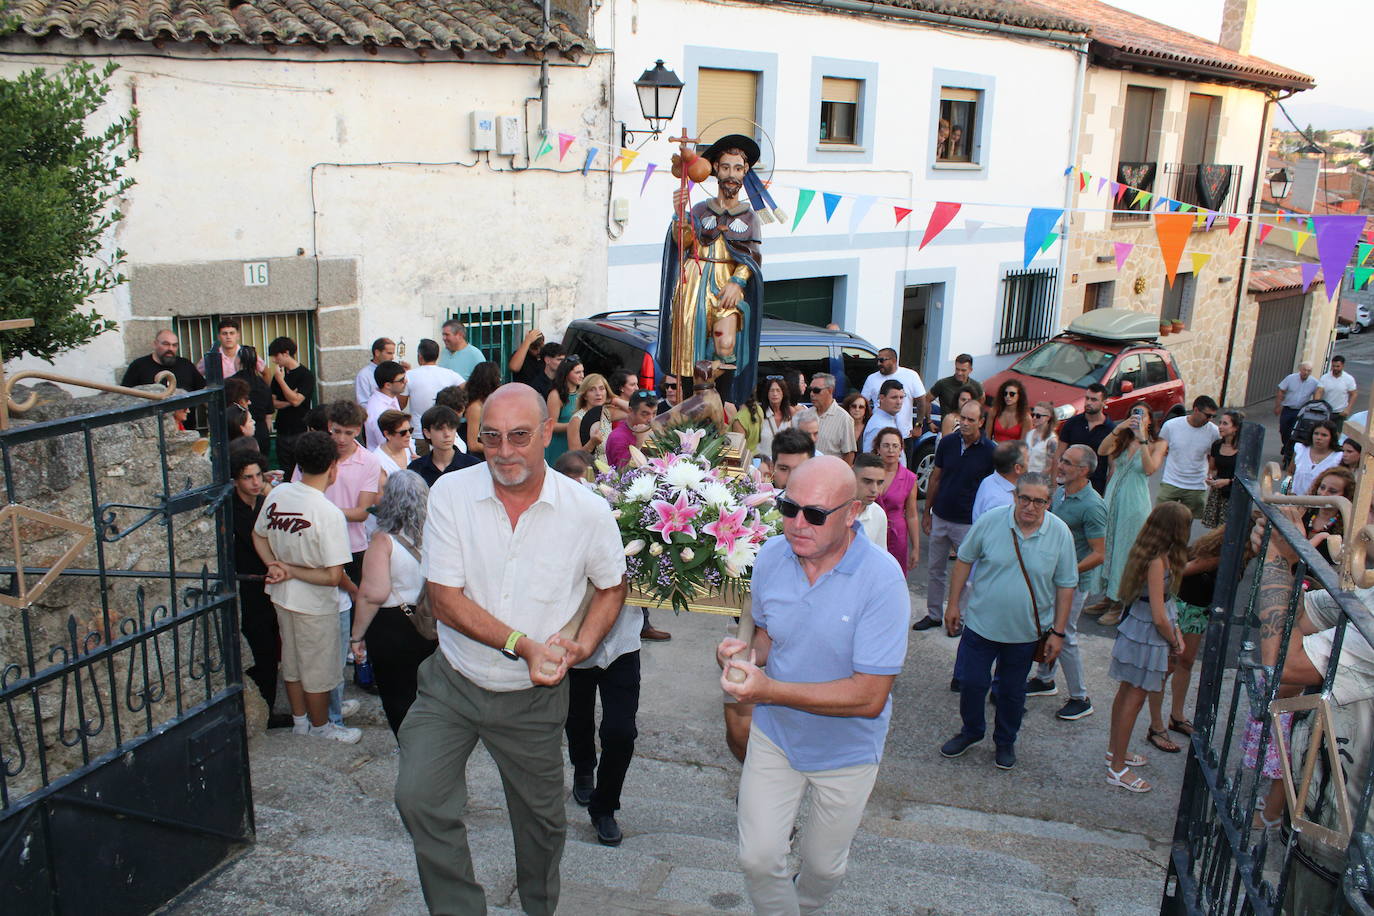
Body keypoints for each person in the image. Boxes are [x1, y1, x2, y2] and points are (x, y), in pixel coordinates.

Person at [393, 384, 627, 916]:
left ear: (548, 432)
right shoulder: (452, 493)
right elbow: (445, 600)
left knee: (542, 824)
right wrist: (521, 644)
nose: (504, 452)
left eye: (520, 437)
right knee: (419, 798)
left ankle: (538, 908)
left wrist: (581, 645)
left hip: (532, 697)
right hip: (451, 682)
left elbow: (613, 585)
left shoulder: (586, 511)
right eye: (491, 437)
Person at [719, 456, 908, 915]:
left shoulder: (883, 581)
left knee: (825, 870)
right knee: (759, 858)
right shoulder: (769, 557)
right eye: (789, 508)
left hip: (848, 750)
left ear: (852, 513)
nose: (798, 523)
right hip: (776, 735)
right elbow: (767, 635)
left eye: (816, 514)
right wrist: (744, 658)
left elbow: (869, 697)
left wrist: (769, 690)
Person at [939, 472, 1076, 770]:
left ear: (1048, 503)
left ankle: (1005, 741)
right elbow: (964, 559)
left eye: (1039, 501)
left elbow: (1066, 584)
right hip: (980, 626)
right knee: (972, 684)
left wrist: (1059, 632)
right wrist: (953, 605)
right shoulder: (991, 521)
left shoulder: (1060, 533)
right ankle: (971, 731)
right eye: (1025, 498)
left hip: (1026, 633)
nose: (1030, 506)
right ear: (1014, 496)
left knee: (1012, 694)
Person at [251, 430, 361, 744]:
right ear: (333, 467)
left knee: (294, 663)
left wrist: (274, 564)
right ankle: (322, 726)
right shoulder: (328, 513)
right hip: (314, 603)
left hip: (282, 597)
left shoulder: (278, 493)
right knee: (319, 670)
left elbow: (258, 535)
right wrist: (288, 568)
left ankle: (301, 722)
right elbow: (331, 575)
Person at [722, 428, 816, 764]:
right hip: (755, 631)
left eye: (799, 469)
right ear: (773, 468)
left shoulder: (821, 516)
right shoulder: (751, 506)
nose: (790, 478)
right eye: (784, 469)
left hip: (803, 642)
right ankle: (757, 784)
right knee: (737, 727)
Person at [658, 134, 765, 405]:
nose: (732, 175)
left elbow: (752, 255)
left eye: (738, 168)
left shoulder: (749, 216)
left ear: (746, 172)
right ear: (716, 169)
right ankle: (689, 403)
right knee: (688, 347)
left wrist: (737, 282)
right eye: (726, 167)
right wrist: (679, 213)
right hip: (695, 281)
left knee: (725, 341)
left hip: (726, 282)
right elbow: (683, 242)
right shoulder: (701, 209)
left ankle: (722, 403)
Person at [1105, 502, 1190, 791]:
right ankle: (1117, 768)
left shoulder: (1151, 553)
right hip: (1147, 635)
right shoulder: (1158, 561)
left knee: (1126, 693)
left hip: (1138, 630)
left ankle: (1115, 752)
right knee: (1134, 698)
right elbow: (1158, 614)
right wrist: (1175, 640)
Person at [349, 470, 436, 737]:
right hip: (430, 622)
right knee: (428, 694)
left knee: (398, 695)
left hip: (392, 624)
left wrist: (356, 636)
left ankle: (412, 750)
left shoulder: (383, 540)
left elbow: (373, 593)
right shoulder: (436, 535)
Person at [1026, 445, 1107, 721]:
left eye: (1068, 463)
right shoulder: (1061, 492)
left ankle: (1080, 698)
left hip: (1074, 582)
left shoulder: (1093, 505)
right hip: (1057, 577)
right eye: (1062, 460)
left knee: (1065, 635)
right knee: (1049, 627)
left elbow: (1099, 553)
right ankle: (1045, 679)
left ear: (1083, 470)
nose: (1060, 465)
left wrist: (1067, 572)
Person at [916, 400, 996, 632]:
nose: (965, 423)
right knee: (935, 570)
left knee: (967, 575)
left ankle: (957, 618)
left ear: (981, 422)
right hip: (941, 516)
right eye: (963, 418)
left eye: (971, 419)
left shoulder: (990, 452)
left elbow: (991, 489)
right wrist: (928, 512)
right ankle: (933, 615)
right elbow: (936, 478)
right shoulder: (948, 443)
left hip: (969, 524)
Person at [1094, 408, 1168, 626]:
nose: (1138, 418)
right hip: (1113, 497)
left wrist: (1142, 440)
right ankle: (1108, 597)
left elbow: (1149, 469)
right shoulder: (1122, 439)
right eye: (1135, 413)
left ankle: (1120, 602)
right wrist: (1119, 428)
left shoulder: (1158, 443)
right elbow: (1102, 449)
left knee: (1125, 550)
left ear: (1150, 419)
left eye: (1143, 414)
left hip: (1134, 502)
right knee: (1108, 545)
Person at [231, 449, 288, 728]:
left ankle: (266, 709)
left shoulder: (266, 503)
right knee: (256, 649)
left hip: (269, 583)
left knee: (269, 651)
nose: (254, 482)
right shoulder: (229, 509)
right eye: (247, 477)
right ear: (236, 480)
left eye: (257, 476)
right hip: (246, 586)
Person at [1156, 397, 1220, 516]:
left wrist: (1211, 473)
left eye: (1213, 416)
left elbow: (1214, 456)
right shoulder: (1171, 426)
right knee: (1160, 519)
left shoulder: (1214, 432)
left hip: (1196, 485)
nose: (1210, 419)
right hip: (1171, 482)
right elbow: (1161, 448)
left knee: (1185, 525)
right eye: (1208, 415)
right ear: (1196, 410)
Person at [872, 427, 919, 574]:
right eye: (886, 445)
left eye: (895, 446)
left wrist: (916, 548)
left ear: (901, 450)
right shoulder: (868, 473)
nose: (891, 450)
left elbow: (911, 515)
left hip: (896, 536)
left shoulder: (909, 478)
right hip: (871, 530)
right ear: (878, 449)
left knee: (894, 577)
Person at [1054, 384, 1116, 495]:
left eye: (1094, 399)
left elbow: (1112, 467)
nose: (1088, 403)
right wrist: (1054, 482)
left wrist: (1107, 493)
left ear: (1104, 402)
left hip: (1095, 488)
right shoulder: (1072, 423)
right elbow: (1058, 454)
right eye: (1087, 398)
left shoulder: (1110, 430)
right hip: (1067, 484)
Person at [404, 339, 464, 452]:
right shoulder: (450, 374)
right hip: (445, 432)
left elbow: (401, 404)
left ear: (420, 356)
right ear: (437, 355)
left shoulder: (409, 375)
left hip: (420, 433)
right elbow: (465, 391)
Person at [268, 337, 315, 480]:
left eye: (276, 356)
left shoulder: (305, 375)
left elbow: (296, 401)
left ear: (286, 353)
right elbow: (273, 402)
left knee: (301, 470)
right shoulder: (278, 374)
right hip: (282, 430)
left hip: (299, 429)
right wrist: (290, 399)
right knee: (285, 471)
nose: (275, 360)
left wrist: (282, 381)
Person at [861, 347, 927, 445]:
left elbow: (921, 401)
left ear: (894, 360)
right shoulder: (872, 379)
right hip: (879, 434)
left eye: (882, 360)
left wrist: (918, 425)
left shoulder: (911, 375)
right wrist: (871, 418)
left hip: (904, 435)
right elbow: (863, 402)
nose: (879, 364)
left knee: (903, 460)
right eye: (877, 360)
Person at [408, 405, 480, 487]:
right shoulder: (416, 469)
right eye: (440, 429)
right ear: (427, 433)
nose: (447, 434)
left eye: (451, 428)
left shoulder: (473, 466)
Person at [796, 373, 856, 463]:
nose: (812, 394)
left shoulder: (844, 419)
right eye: (810, 390)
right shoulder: (804, 415)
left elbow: (849, 454)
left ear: (830, 391)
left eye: (816, 390)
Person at [122, 329, 205, 391]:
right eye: (166, 344)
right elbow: (125, 396)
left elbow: (203, 391)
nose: (170, 349)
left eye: (174, 345)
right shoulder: (139, 366)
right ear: (155, 344)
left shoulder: (186, 365)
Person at [1201, 409, 1242, 529]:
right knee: (1215, 531)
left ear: (1235, 428)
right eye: (1220, 423)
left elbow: (1247, 477)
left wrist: (1227, 481)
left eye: (1225, 424)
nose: (1220, 427)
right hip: (1218, 492)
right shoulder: (1217, 445)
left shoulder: (1243, 449)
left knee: (1229, 529)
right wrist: (1210, 478)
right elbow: (1213, 468)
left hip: (1234, 494)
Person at [196, 316, 268, 386]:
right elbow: (196, 377)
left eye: (232, 333)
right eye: (224, 333)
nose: (228, 337)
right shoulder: (211, 357)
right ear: (218, 337)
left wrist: (264, 393)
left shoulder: (247, 353)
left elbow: (266, 373)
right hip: (223, 397)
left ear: (238, 336)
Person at [971, 441, 1027, 523]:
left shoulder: (989, 480)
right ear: (1017, 468)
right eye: (1028, 459)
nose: (1030, 463)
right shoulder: (1002, 504)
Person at [606, 390, 658, 471]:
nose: (651, 419)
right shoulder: (618, 437)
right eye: (645, 414)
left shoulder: (653, 430)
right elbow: (622, 474)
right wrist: (639, 444)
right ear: (630, 411)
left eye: (654, 413)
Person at [1275, 362, 1317, 459]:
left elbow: (1316, 396)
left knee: (1294, 432)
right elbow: (1281, 390)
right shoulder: (1290, 378)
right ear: (1300, 369)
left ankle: (1289, 451)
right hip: (1288, 409)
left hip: (1302, 411)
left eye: (1309, 371)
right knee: (1283, 430)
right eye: (1304, 370)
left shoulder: (1314, 382)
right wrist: (1278, 406)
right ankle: (1286, 445)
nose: (1306, 372)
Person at [545, 355, 583, 463]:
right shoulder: (556, 395)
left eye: (582, 372)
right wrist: (574, 425)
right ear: (566, 374)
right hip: (558, 446)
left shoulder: (582, 393)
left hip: (576, 444)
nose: (582, 375)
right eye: (577, 372)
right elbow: (551, 425)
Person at [1289, 418, 1341, 498]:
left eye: (1324, 435)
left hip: (1320, 502)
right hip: (1294, 499)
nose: (1319, 438)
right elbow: (1290, 472)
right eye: (1316, 433)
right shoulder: (1300, 449)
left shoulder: (1338, 457)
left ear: (1332, 438)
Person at [459, 361, 501, 457]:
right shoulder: (475, 408)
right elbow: (472, 445)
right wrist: (497, 449)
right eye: (498, 378)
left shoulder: (484, 401)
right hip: (477, 457)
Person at [365, 361, 407, 451]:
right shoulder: (378, 410)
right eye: (401, 380)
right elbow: (387, 444)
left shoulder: (390, 396)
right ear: (388, 385)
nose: (406, 381)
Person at [927, 354, 983, 420]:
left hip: (968, 428)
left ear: (970, 370)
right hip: (947, 426)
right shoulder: (942, 384)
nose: (959, 373)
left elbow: (981, 402)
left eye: (963, 370)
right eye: (957, 369)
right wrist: (929, 421)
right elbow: (927, 399)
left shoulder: (976, 386)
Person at [862, 381, 907, 462]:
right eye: (894, 397)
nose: (899, 402)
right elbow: (868, 460)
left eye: (901, 397)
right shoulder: (878, 427)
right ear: (882, 398)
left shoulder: (891, 418)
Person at [568, 373, 611, 454]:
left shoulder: (606, 413)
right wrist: (592, 443)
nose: (598, 393)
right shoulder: (577, 419)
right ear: (585, 396)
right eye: (592, 389)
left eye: (602, 389)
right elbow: (574, 457)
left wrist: (614, 400)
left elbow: (632, 411)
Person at [355, 337, 404, 406]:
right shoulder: (364, 375)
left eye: (393, 354)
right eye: (389, 353)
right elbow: (363, 403)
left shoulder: (393, 371)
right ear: (377, 353)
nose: (392, 357)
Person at [853, 453, 888, 547]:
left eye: (879, 483)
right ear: (852, 476)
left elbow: (879, 556)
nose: (874, 490)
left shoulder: (879, 514)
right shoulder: (832, 510)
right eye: (867, 481)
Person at [1316, 354, 1358, 428]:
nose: (1335, 368)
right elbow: (1319, 391)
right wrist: (1317, 406)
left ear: (1342, 366)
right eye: (1333, 366)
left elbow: (1354, 394)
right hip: (1326, 411)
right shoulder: (1325, 378)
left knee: (1337, 435)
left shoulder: (1349, 379)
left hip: (1340, 413)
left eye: (1337, 366)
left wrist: (1348, 409)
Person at [986, 379, 1032, 444]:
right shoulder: (994, 411)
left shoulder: (1026, 418)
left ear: (1019, 396)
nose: (1007, 396)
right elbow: (987, 437)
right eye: (1005, 393)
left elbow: (1022, 445)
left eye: (1012, 394)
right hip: (993, 449)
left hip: (1012, 452)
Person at [372, 409, 417, 476]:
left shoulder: (410, 446)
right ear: (387, 434)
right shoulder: (378, 461)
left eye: (410, 430)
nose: (408, 435)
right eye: (403, 432)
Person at [1025, 401, 1059, 474]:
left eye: (1038, 416)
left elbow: (1049, 467)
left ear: (1048, 418)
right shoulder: (1029, 433)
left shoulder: (1052, 440)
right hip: (1024, 476)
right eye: (1033, 414)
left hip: (1039, 480)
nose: (1034, 418)